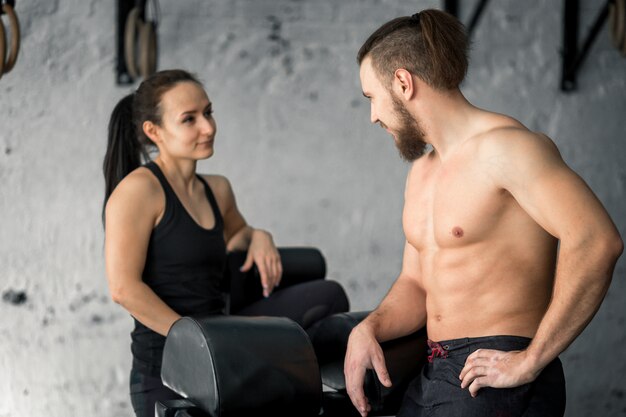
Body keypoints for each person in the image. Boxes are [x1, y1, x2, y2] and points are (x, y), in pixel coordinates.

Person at [344, 9, 623, 417]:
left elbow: (598, 240)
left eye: (372, 98)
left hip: (493, 375)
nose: (373, 116)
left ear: (403, 83)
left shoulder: (508, 149)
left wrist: (531, 359)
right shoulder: (422, 172)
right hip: (435, 372)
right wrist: (368, 328)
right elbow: (416, 283)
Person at [103, 69, 349, 417]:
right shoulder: (138, 191)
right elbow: (123, 288)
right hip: (170, 364)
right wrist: (194, 343)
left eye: (208, 112)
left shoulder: (217, 189)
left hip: (223, 337)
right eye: (189, 119)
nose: (208, 127)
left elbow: (236, 235)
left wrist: (259, 236)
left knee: (328, 296)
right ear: (153, 131)